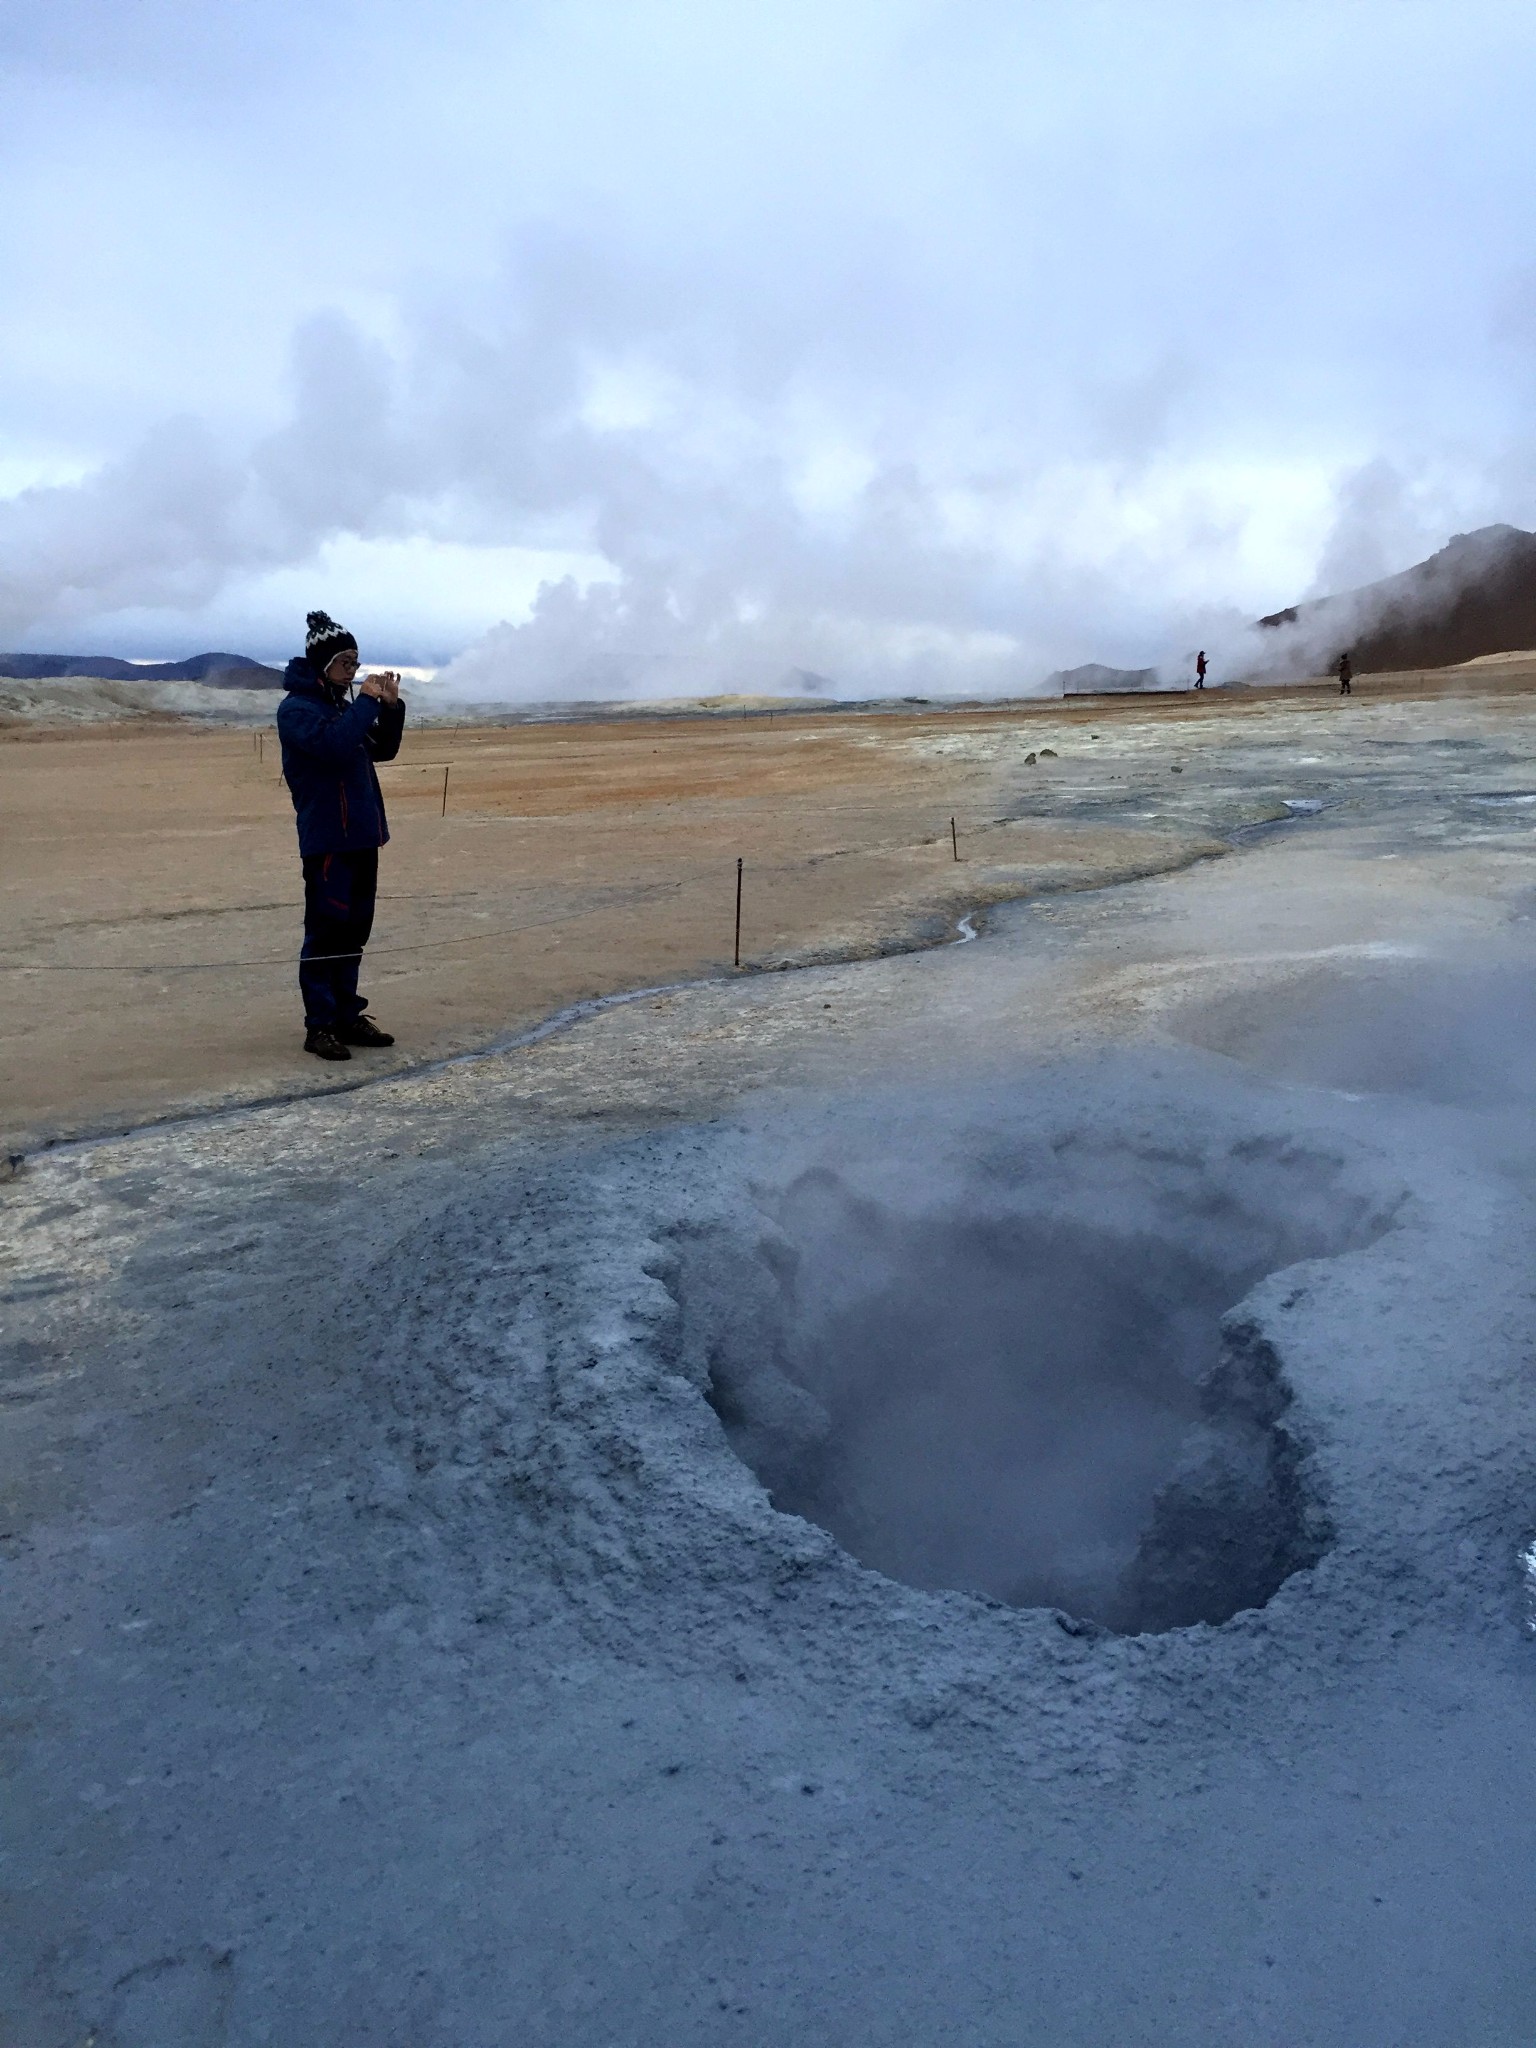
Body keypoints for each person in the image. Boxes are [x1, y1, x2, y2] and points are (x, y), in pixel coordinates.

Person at [276, 610, 407, 1061]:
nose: (353, 671)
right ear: (322, 664)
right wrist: (367, 703)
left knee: (354, 931)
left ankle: (348, 1015)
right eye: (345, 662)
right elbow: (333, 747)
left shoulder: (340, 708)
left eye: (356, 662)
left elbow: (382, 749)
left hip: (362, 837)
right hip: (329, 838)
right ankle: (321, 1026)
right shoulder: (297, 710)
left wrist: (389, 708)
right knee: (326, 932)